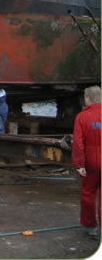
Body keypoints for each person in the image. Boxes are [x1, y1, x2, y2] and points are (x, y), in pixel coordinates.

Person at [71, 85, 101, 238]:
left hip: (91, 160)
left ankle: (91, 226)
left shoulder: (82, 117)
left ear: (87, 98)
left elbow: (78, 143)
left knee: (88, 193)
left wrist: (79, 164)